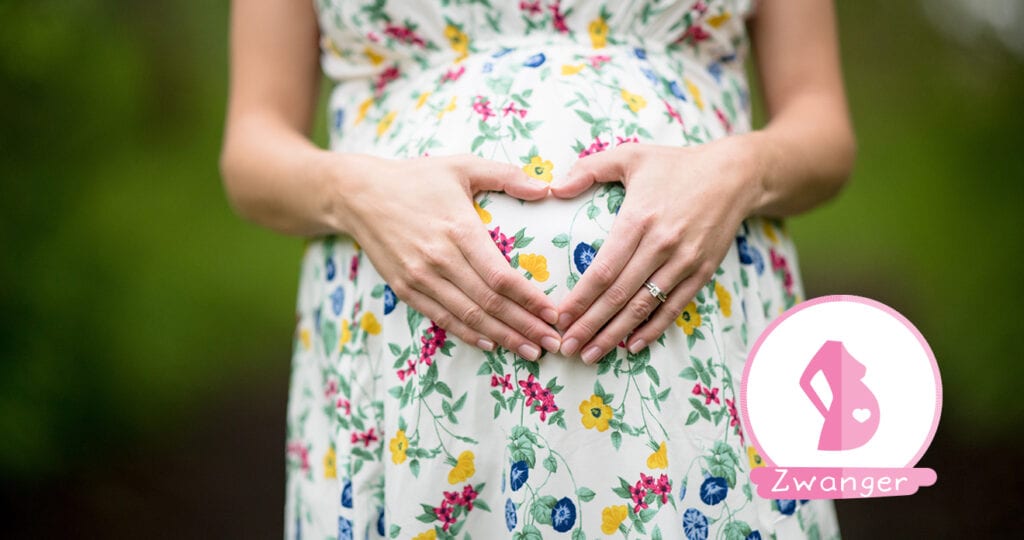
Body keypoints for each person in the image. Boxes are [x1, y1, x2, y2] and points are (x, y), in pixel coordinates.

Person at [220, 0, 855, 538]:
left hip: (698, 340)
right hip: (399, 360)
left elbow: (821, 126)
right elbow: (252, 149)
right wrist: (352, 192)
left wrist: (738, 172)